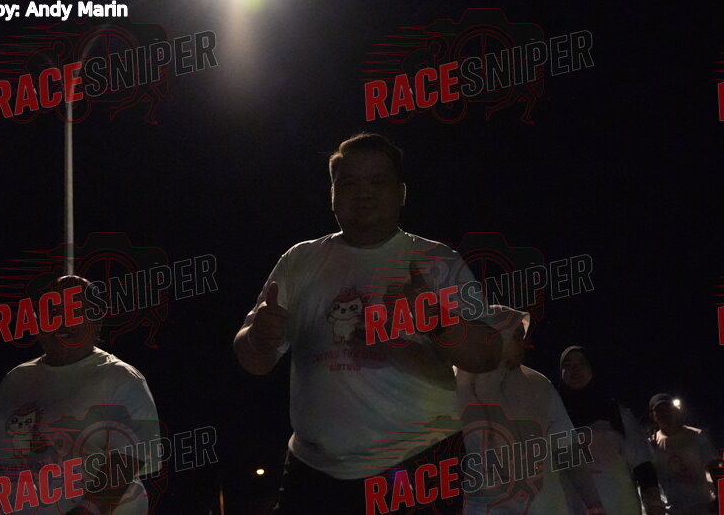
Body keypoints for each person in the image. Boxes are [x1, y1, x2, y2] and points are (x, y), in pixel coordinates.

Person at [233, 133, 528, 514]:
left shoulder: (437, 260)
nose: (364, 193)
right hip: (312, 470)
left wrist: (437, 320)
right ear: (332, 194)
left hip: (417, 463)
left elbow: (487, 355)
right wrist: (258, 337)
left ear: (401, 192)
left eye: (378, 181)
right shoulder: (298, 260)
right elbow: (253, 360)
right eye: (349, 183)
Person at [0, 275, 161, 515]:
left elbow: (124, 465)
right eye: (53, 312)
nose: (62, 322)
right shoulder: (15, 380)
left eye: (75, 312)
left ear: (96, 321)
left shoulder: (123, 379)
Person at [455, 324, 607, 514]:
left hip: (543, 505)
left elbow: (567, 449)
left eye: (522, 337)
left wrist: (594, 504)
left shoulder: (538, 385)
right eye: (515, 337)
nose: (523, 344)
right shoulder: (456, 385)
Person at [558, 346, 664, 515]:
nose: (575, 370)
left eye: (582, 363)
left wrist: (653, 504)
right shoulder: (554, 419)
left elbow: (642, 464)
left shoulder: (616, 414)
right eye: (568, 365)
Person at [648, 393, 718, 515]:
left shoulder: (696, 436)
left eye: (667, 409)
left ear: (675, 411)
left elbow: (715, 469)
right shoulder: (651, 445)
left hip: (702, 507)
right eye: (659, 411)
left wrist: (719, 501)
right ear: (652, 415)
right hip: (673, 510)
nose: (664, 414)